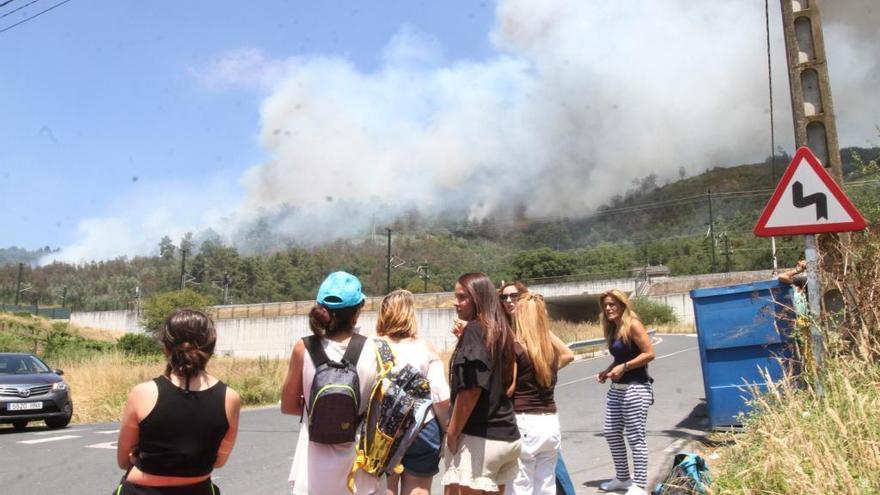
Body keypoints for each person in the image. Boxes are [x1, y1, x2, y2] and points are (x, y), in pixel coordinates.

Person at [116, 309, 241, 495]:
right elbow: (219, 461)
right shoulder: (230, 398)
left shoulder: (142, 393)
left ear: (165, 347)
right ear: (210, 348)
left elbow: (123, 460)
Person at [281, 271, 382, 495]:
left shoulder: (303, 348)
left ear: (321, 310)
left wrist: (317, 410)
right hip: (358, 473)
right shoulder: (375, 349)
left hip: (312, 473)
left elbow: (287, 406)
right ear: (356, 313)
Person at [443, 272, 521, 495]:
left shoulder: (475, 330)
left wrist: (452, 431)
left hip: (480, 437)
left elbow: (472, 387)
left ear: (478, 299)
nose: (455, 303)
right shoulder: (502, 331)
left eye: (462, 297)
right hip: (507, 435)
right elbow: (509, 384)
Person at [375, 289, 451, 495]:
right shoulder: (424, 347)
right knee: (418, 489)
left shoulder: (372, 347)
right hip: (422, 427)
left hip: (382, 430)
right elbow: (440, 396)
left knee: (385, 488)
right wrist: (447, 430)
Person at [501, 287, 574, 495]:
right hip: (550, 422)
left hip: (524, 422)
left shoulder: (515, 347)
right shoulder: (548, 352)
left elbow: (508, 389)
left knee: (519, 487)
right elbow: (567, 355)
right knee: (546, 487)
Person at [596, 289, 655, 495]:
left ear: (622, 305)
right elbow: (621, 358)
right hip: (617, 389)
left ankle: (639, 484)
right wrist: (608, 370)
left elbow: (649, 354)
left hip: (636, 388)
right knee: (611, 432)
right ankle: (622, 478)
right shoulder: (614, 328)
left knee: (635, 437)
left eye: (613, 304)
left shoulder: (633, 325)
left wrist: (625, 367)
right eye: (605, 305)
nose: (608, 308)